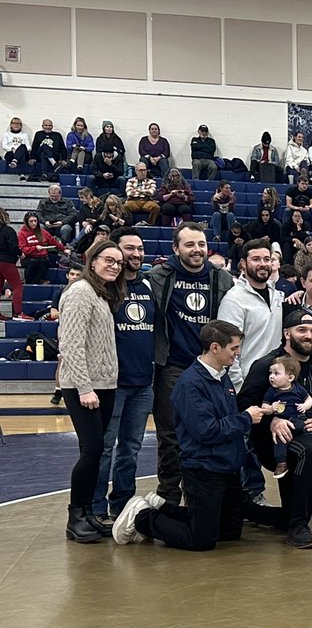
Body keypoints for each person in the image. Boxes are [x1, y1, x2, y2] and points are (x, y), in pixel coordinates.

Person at [112, 320, 289, 551]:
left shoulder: (221, 376)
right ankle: (142, 518)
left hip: (228, 467)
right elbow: (207, 431)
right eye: (233, 348)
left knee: (229, 532)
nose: (238, 353)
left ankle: (163, 508)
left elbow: (227, 417)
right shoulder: (191, 384)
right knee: (202, 541)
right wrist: (246, 418)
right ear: (215, 347)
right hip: (204, 468)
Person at [147, 223, 236, 506]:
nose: (197, 250)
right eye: (189, 245)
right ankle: (169, 497)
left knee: (212, 431)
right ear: (176, 249)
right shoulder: (159, 276)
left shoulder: (221, 278)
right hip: (173, 366)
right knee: (171, 436)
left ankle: (203, 497)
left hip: (210, 369)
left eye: (201, 244)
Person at [239, 310, 312, 546]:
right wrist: (271, 418)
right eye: (302, 330)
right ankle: (299, 528)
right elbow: (244, 404)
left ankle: (250, 510)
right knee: (311, 448)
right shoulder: (267, 366)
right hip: (273, 441)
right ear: (287, 333)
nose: (309, 335)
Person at [58, 239, 125, 542]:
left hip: (104, 385)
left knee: (95, 452)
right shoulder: (81, 292)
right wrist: (84, 388)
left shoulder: (101, 294)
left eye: (119, 262)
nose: (114, 266)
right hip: (84, 386)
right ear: (92, 261)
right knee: (92, 451)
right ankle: (76, 516)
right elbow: (70, 344)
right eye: (108, 260)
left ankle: (86, 514)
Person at [92, 228, 156, 527]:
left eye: (140, 248)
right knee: (104, 448)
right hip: (111, 384)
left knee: (131, 448)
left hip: (143, 382)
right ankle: (95, 507)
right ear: (115, 253)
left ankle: (122, 504)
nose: (136, 254)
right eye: (129, 248)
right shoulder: (104, 288)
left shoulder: (148, 284)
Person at [216, 238, 284, 391]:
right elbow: (228, 349)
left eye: (267, 259)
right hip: (248, 386)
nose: (263, 264)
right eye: (256, 259)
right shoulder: (234, 299)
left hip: (276, 384)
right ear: (243, 263)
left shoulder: (278, 296)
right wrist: (240, 387)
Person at [260, 355, 312, 477]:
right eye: (270, 373)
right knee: (279, 440)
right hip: (282, 423)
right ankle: (281, 464)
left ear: (290, 377)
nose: (271, 376)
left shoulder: (298, 389)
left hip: (299, 419)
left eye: (276, 373)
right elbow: (264, 408)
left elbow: (309, 399)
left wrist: (305, 406)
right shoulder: (271, 392)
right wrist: (271, 408)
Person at [17, 212, 66, 284]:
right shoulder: (21, 233)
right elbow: (23, 248)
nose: (33, 223)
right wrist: (35, 248)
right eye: (31, 221)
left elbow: (54, 241)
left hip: (41, 256)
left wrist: (64, 249)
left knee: (44, 262)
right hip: (28, 257)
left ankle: (35, 282)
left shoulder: (42, 232)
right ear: (27, 222)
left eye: (35, 221)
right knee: (33, 263)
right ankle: (29, 283)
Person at [0, 208, 28, 319]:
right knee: (17, 287)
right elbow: (13, 247)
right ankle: (18, 313)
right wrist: (20, 253)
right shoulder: (8, 230)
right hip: (6, 261)